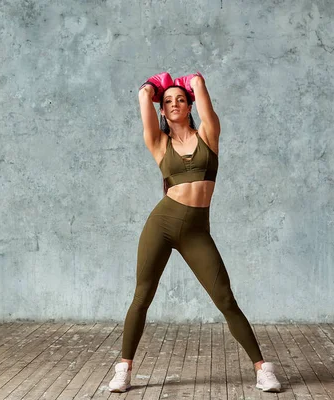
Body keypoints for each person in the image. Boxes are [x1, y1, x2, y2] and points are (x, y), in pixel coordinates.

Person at [108, 72, 282, 393]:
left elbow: (201, 90)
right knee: (142, 296)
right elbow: (143, 96)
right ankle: (124, 368)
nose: (175, 104)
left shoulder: (208, 135)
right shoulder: (159, 143)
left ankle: (262, 368)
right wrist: (154, 87)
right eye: (169, 101)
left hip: (196, 232)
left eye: (181, 100)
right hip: (161, 224)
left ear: (189, 106)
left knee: (225, 298)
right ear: (164, 110)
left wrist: (193, 83)